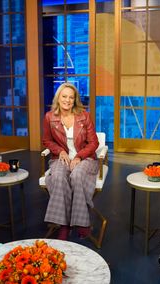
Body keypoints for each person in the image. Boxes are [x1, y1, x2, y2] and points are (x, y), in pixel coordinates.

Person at [42, 82, 99, 240]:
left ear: (75, 100)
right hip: (61, 158)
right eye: (64, 96)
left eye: (71, 97)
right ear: (58, 98)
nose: (67, 100)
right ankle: (64, 225)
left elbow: (94, 143)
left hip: (85, 157)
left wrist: (79, 156)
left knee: (76, 176)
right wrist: (59, 151)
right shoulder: (49, 117)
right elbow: (46, 140)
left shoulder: (84, 116)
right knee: (58, 177)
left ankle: (82, 223)